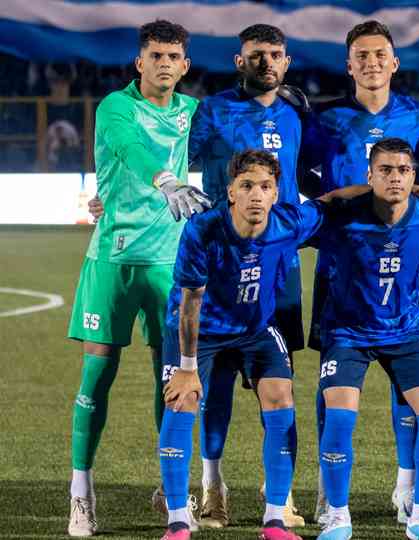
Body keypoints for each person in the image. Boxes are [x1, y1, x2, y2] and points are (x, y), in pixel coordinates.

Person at [66, 20, 210, 537]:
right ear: (139, 62)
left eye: (173, 55)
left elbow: (233, 140)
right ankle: (81, 492)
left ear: (185, 65)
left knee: (170, 380)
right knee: (96, 376)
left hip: (169, 264)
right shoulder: (116, 106)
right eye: (155, 55)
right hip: (111, 260)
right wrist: (167, 178)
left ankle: (172, 489)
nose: (164, 63)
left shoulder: (195, 112)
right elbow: (130, 147)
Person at [296, 21, 419, 524]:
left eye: (381, 53)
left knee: (407, 369)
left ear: (394, 62)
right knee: (333, 375)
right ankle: (325, 487)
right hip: (341, 264)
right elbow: (299, 173)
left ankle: (407, 485)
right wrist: (339, 203)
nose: (372, 62)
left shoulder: (418, 115)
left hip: (398, 263)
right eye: (362, 54)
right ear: (349, 64)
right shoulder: (328, 121)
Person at [157, 150, 321, 540]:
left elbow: (332, 203)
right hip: (201, 328)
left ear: (276, 193)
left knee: (281, 396)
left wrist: (409, 188)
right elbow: (190, 304)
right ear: (230, 192)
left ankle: (275, 519)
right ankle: (179, 519)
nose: (256, 195)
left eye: (265, 187)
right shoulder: (204, 229)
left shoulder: (289, 222)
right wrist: (186, 367)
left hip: (254, 327)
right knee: (182, 400)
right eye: (247, 186)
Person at [186, 23, 308, 529]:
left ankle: (277, 492)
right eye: (256, 55)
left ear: (286, 61)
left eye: (275, 55)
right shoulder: (211, 110)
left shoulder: (299, 111)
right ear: (239, 62)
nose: (266, 63)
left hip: (281, 269)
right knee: (214, 389)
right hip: (224, 264)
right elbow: (176, 162)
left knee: (277, 385)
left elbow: (318, 172)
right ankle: (212, 487)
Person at [312, 138, 419, 540]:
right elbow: (309, 213)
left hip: (405, 330)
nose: (395, 178)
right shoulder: (341, 218)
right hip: (347, 331)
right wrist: (342, 194)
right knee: (340, 414)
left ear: (415, 176)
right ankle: (337, 515)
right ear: (369, 175)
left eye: (404, 171)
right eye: (386, 170)